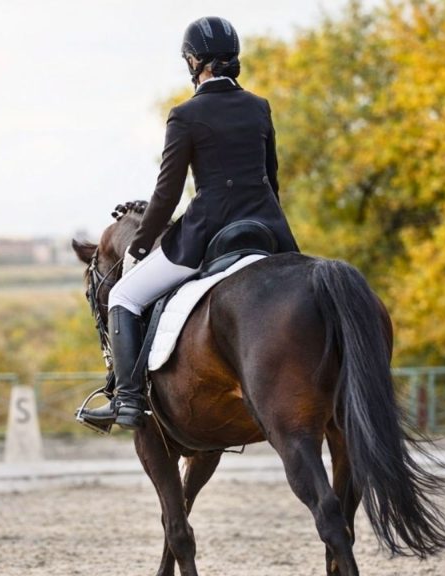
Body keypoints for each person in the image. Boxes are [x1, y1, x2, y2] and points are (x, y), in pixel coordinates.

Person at [80, 16, 300, 430]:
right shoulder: (258, 107)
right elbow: (272, 178)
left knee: (125, 296)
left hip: (209, 233)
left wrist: (140, 247)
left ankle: (128, 401)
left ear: (194, 61)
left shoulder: (185, 115)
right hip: (268, 230)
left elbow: (165, 196)